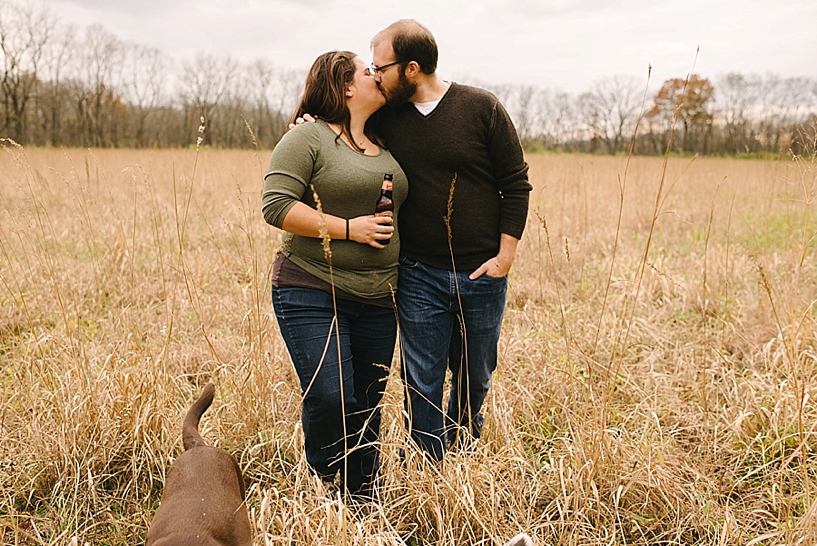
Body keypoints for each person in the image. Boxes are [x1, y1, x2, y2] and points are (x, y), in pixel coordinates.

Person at [369, 20, 532, 461]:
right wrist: (305, 120)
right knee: (421, 378)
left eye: (380, 66)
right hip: (418, 272)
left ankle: (464, 456)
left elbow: (515, 185)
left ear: (412, 68)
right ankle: (427, 465)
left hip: (482, 273)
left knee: (474, 375)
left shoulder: (482, 108)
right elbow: (334, 130)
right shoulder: (385, 117)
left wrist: (505, 258)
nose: (375, 75)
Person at [262, 50, 408, 497]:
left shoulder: (387, 142)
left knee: (367, 404)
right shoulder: (308, 139)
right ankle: (329, 486)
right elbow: (276, 206)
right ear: (345, 86)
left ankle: (363, 496)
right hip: (311, 288)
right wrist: (350, 229)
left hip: (380, 298)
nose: (376, 76)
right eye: (368, 71)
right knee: (331, 396)